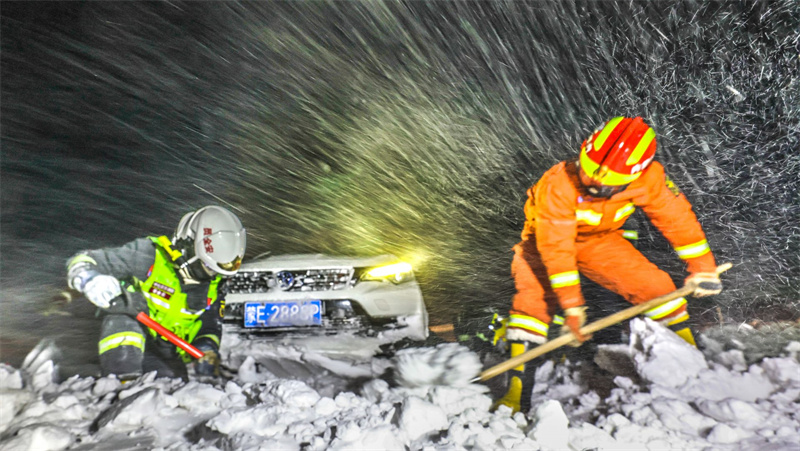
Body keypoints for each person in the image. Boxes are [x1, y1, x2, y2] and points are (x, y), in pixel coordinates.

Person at [494, 116, 723, 413]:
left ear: (634, 175)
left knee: (656, 288)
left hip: (599, 241)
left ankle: (692, 369)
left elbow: (677, 219)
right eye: (589, 173)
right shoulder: (558, 184)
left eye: (606, 184)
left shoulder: (649, 178)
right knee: (532, 304)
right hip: (542, 244)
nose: (594, 184)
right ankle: (516, 393)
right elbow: (556, 249)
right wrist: (573, 308)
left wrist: (702, 266)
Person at [66, 205, 246, 381]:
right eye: (208, 267)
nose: (212, 275)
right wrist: (89, 278)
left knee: (169, 386)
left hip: (165, 352)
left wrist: (206, 350)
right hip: (127, 340)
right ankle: (119, 383)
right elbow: (85, 260)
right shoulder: (149, 255)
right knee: (122, 321)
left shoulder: (214, 286)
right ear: (189, 248)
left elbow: (209, 326)